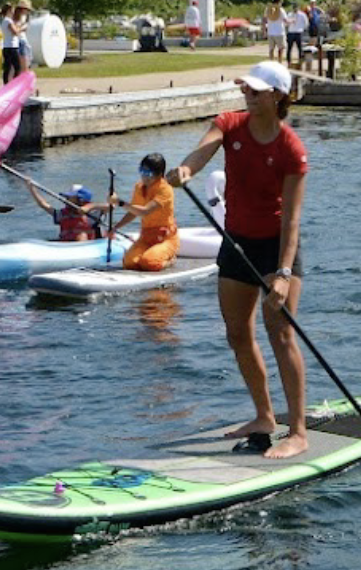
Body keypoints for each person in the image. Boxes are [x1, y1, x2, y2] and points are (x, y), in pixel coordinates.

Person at [168, 59, 310, 460]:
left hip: (277, 247)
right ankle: (265, 417)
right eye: (245, 87)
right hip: (237, 241)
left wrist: (283, 273)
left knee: (281, 335)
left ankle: (298, 432)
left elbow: (293, 219)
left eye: (255, 89)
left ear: (277, 96)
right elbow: (200, 154)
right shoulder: (229, 124)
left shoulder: (291, 150)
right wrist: (185, 170)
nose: (246, 93)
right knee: (236, 333)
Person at [113, 152, 181, 272]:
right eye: (142, 171)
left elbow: (145, 211)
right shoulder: (139, 187)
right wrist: (115, 227)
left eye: (148, 174)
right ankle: (147, 253)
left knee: (149, 263)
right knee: (129, 263)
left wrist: (120, 203)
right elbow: (134, 211)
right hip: (146, 237)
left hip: (165, 238)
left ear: (159, 174)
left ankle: (170, 260)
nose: (144, 177)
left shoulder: (165, 190)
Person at [28, 182, 105, 241]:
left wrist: (91, 206)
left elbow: (110, 206)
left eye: (70, 197)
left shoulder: (91, 214)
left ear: (80, 200)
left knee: (82, 235)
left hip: (84, 246)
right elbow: (43, 205)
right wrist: (32, 189)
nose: (66, 199)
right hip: (65, 246)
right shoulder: (62, 214)